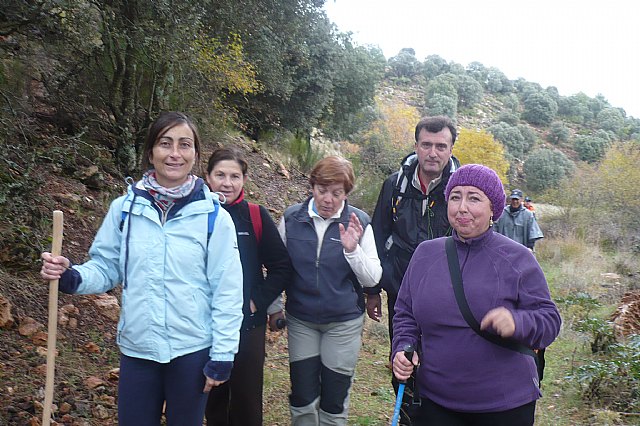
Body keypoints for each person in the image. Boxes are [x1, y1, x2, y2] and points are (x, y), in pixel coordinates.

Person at [40, 112, 243, 426]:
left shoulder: (214, 217)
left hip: (191, 351)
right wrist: (72, 276)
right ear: (151, 153)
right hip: (138, 350)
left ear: (195, 155)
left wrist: (223, 354)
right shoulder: (124, 209)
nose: (175, 153)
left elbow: (227, 291)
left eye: (184, 145)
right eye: (165, 143)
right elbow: (107, 267)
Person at [392, 164, 561, 426]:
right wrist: (403, 347)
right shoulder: (426, 254)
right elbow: (405, 313)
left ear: (493, 208)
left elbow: (549, 321)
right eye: (456, 197)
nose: (462, 207)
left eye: (474, 198)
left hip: (504, 404)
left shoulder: (518, 258)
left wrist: (517, 322)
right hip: (435, 402)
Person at [366, 115, 459, 424]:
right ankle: (407, 417)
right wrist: (372, 289)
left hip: (449, 293)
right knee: (402, 358)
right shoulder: (395, 185)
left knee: (442, 361)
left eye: (441, 146)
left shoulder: (461, 188)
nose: (433, 153)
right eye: (426, 145)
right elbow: (378, 236)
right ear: (416, 146)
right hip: (401, 290)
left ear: (451, 149)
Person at [278, 155, 382, 425]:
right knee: (302, 395)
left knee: (334, 399)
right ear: (312, 187)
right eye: (322, 190)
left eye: (337, 193)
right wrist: (274, 307)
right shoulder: (291, 219)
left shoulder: (359, 222)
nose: (328, 199)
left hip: (343, 322)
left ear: (347, 193)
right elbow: (279, 267)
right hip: (302, 320)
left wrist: (352, 250)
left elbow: (373, 276)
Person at [204, 146, 292, 426]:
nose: (226, 183)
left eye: (234, 176)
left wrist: (257, 301)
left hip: (247, 324)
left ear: (244, 180)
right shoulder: (195, 215)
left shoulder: (254, 215)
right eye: (220, 175)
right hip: (202, 324)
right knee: (211, 398)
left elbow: (281, 265)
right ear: (207, 177)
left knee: (246, 400)